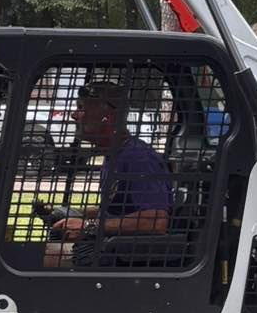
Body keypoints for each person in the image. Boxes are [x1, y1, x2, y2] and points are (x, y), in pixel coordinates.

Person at [44, 77, 172, 245]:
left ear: (107, 117)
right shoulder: (114, 154)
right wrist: (76, 213)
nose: (74, 115)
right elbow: (118, 211)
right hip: (108, 247)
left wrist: (89, 226)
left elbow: (156, 221)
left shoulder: (139, 158)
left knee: (40, 258)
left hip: (122, 257)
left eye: (81, 108)